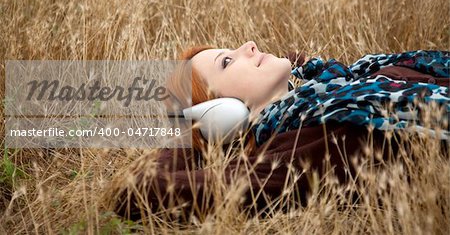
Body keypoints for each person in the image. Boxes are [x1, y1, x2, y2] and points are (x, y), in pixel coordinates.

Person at [109, 41, 449, 221]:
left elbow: (295, 59)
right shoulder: (294, 150)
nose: (250, 45)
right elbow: (137, 191)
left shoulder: (333, 86)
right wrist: (192, 132)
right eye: (226, 62)